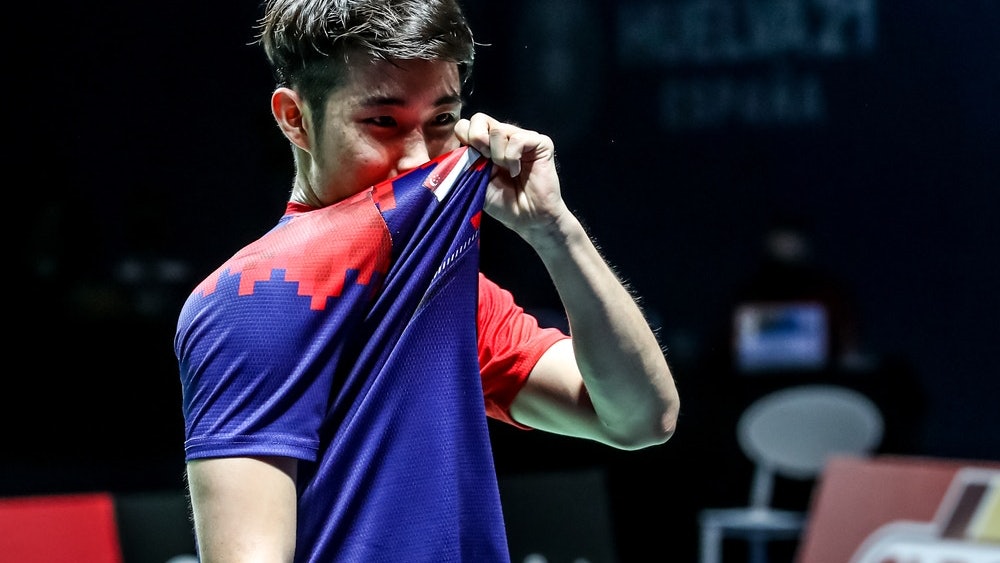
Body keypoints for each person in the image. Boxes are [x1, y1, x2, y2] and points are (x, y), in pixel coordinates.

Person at [173, 0, 680, 561]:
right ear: (295, 119)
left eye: (441, 121)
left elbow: (641, 418)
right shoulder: (249, 302)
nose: (419, 159)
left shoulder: (445, 286)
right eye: (382, 123)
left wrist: (554, 230)